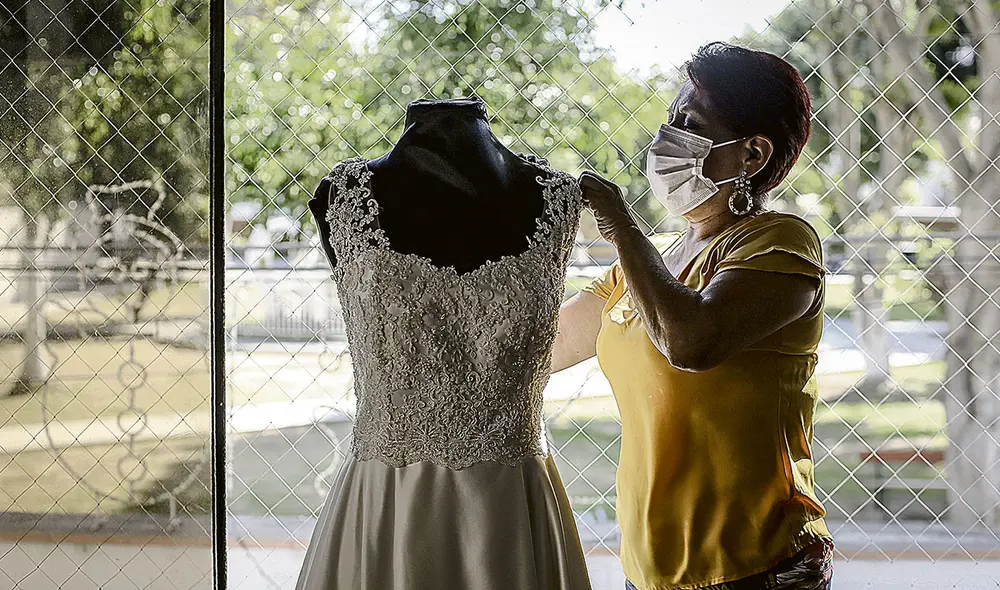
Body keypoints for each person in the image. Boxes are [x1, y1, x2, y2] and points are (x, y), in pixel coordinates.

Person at [552, 42, 834, 590]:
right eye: (671, 119)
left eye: (691, 124)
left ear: (752, 154)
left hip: (751, 567)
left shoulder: (781, 241)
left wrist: (622, 227)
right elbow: (551, 342)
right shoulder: (647, 265)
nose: (666, 138)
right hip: (649, 569)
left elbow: (692, 342)